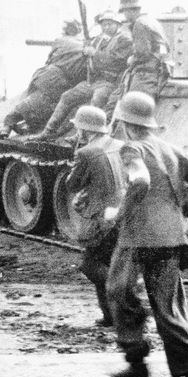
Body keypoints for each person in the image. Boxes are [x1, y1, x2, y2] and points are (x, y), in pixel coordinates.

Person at [105, 91, 188, 377]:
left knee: (117, 290)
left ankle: (136, 360)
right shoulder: (170, 149)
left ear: (125, 123)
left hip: (138, 236)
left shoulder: (131, 147)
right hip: (170, 237)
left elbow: (139, 181)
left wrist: (118, 214)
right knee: (168, 307)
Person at [30, 11, 132, 140]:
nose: (106, 27)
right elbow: (88, 55)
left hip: (109, 82)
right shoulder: (100, 39)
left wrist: (94, 54)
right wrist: (85, 51)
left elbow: (116, 60)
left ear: (118, 24)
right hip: (93, 80)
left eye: (109, 24)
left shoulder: (124, 40)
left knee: (97, 100)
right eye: (104, 25)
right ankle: (48, 131)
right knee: (67, 97)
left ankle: (82, 135)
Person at [65, 106, 125, 327]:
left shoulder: (86, 152)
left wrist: (77, 155)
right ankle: (110, 317)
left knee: (90, 266)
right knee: (108, 261)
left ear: (84, 129)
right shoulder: (120, 145)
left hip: (100, 218)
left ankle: (126, 290)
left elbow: (72, 184)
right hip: (121, 213)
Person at [0, 20, 86, 138]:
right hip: (60, 81)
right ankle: (11, 126)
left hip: (49, 77)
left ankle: (8, 126)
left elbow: (50, 59)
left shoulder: (62, 41)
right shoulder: (83, 44)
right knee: (38, 104)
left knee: (30, 102)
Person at [104, 0, 170, 120]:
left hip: (145, 74)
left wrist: (131, 59)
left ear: (130, 10)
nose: (125, 16)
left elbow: (142, 53)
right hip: (156, 71)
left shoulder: (139, 24)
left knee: (134, 109)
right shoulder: (151, 21)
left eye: (124, 12)